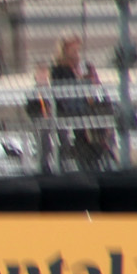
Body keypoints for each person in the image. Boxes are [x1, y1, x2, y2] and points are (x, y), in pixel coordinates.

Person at [42, 33, 114, 171]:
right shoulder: (59, 69)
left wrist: (90, 78)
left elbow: (90, 85)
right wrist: (83, 80)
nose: (76, 53)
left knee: (104, 116)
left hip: (84, 104)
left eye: (77, 50)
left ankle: (99, 155)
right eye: (73, 50)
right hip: (69, 106)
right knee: (82, 133)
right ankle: (85, 160)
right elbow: (66, 89)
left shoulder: (80, 66)